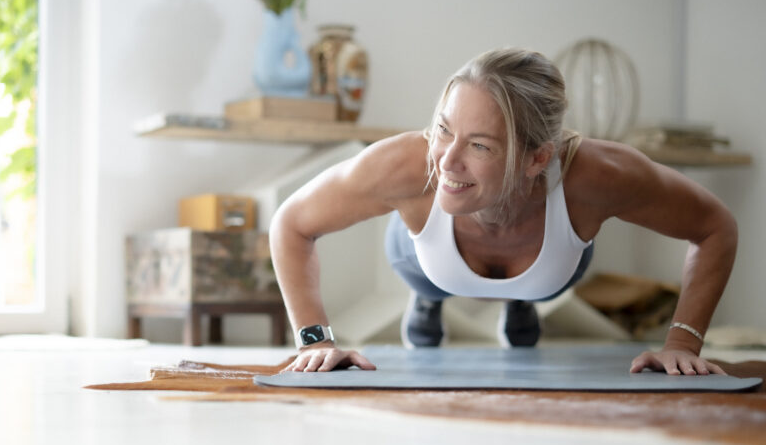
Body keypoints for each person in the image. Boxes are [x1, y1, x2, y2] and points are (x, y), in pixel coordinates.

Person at [270, 48, 737, 375]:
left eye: (479, 145)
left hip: (550, 268)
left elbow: (715, 227)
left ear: (538, 158)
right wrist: (316, 342)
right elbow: (291, 224)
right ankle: (430, 299)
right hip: (425, 261)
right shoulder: (406, 166)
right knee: (424, 273)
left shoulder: (598, 175)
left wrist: (683, 343)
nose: (447, 160)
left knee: (546, 269)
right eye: (443, 130)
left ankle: (520, 297)